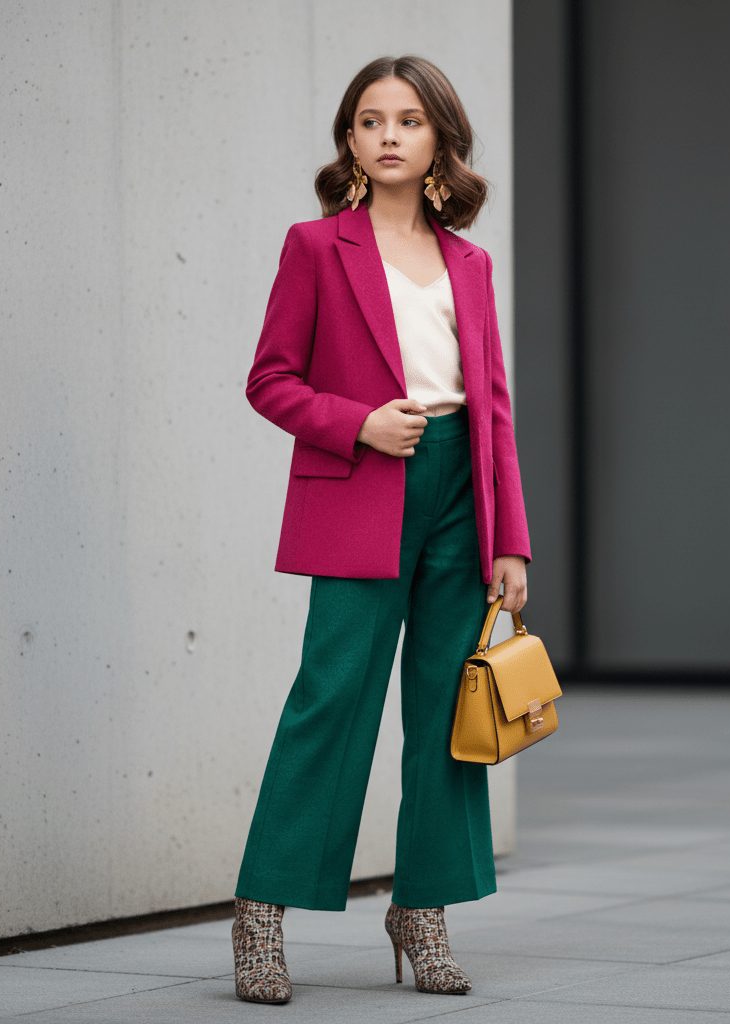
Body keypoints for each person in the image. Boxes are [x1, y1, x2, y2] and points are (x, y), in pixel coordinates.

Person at [231, 54, 532, 1005]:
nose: (389, 135)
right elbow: (269, 380)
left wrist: (511, 540)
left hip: (459, 494)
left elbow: (492, 408)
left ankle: (422, 910)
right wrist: (356, 422)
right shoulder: (317, 248)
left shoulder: (470, 263)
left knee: (446, 711)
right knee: (333, 698)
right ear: (350, 140)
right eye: (370, 121)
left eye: (408, 120)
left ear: (441, 138)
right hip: (364, 482)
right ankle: (261, 912)